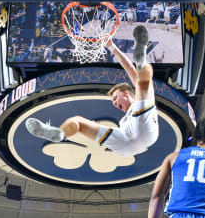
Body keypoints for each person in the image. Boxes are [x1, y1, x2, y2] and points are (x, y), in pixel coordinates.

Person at [25, 25, 158, 157]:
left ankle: (141, 58)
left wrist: (113, 47)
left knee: (142, 81)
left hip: (141, 133)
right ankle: (58, 133)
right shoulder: (123, 121)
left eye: (116, 97)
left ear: (126, 93)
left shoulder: (137, 105)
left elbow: (130, 69)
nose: (114, 103)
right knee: (78, 122)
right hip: (126, 143)